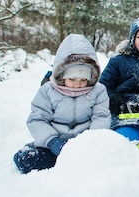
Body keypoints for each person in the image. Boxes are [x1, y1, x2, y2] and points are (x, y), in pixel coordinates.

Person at [13, 34, 111, 173]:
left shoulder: (98, 91)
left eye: (83, 79)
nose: (77, 84)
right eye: (72, 79)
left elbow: (101, 117)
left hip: (85, 145)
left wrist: (90, 142)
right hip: (54, 145)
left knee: (105, 159)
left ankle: (80, 163)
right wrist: (52, 141)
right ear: (61, 75)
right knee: (24, 160)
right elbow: (37, 119)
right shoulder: (48, 90)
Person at [99, 17, 139, 140]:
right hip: (123, 112)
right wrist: (117, 102)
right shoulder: (118, 61)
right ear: (132, 38)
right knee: (129, 138)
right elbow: (104, 86)